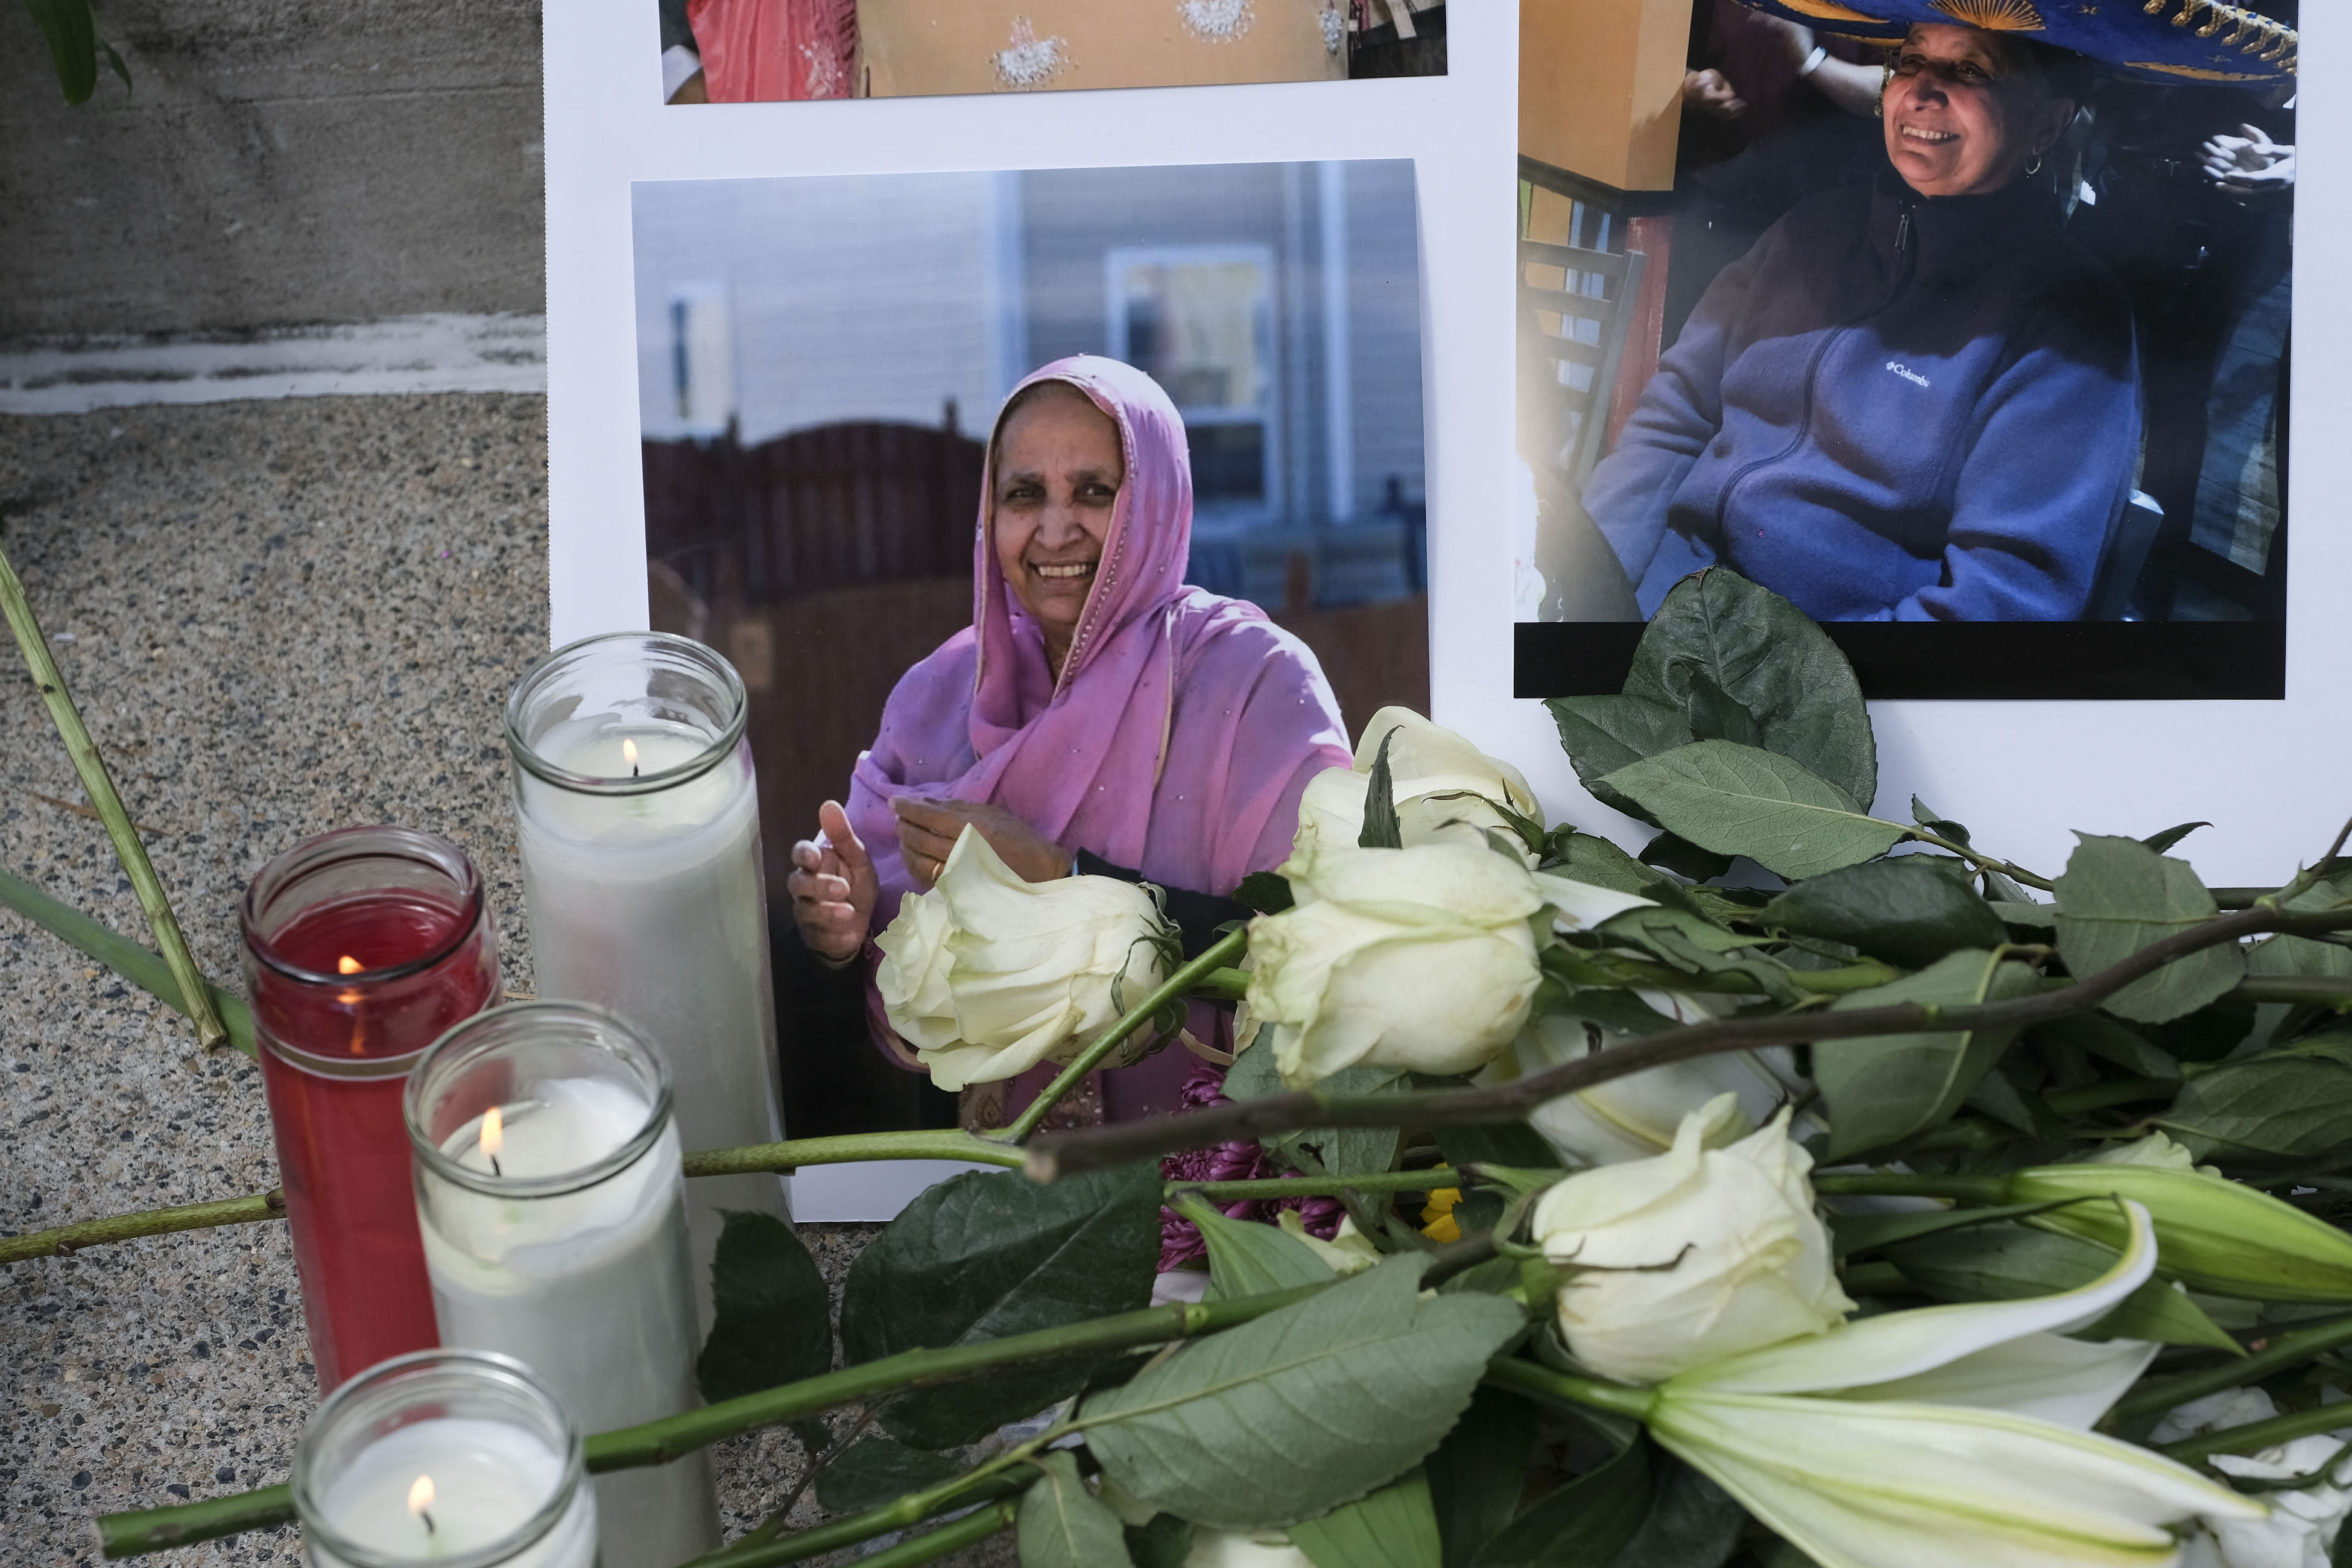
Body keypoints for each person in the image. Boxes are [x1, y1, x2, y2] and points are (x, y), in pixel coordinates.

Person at [785, 356, 1351, 1124]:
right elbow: (902, 1005)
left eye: (1094, 490)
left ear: (1155, 500)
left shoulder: (1258, 686)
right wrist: (844, 933)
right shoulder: (939, 695)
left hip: (1210, 1194)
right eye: (1024, 494)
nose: (1055, 529)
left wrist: (1065, 874)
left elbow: (1321, 945)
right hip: (1001, 1194)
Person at [1582, 22, 2140, 622]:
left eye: (1972, 69)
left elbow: (2005, 598)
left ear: (2047, 124)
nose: (1923, 91)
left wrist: (1804, 694)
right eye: (1910, 60)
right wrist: (1583, 579)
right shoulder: (1813, 226)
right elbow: (1674, 419)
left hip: (1814, 672)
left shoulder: (2070, 315)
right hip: (1663, 601)